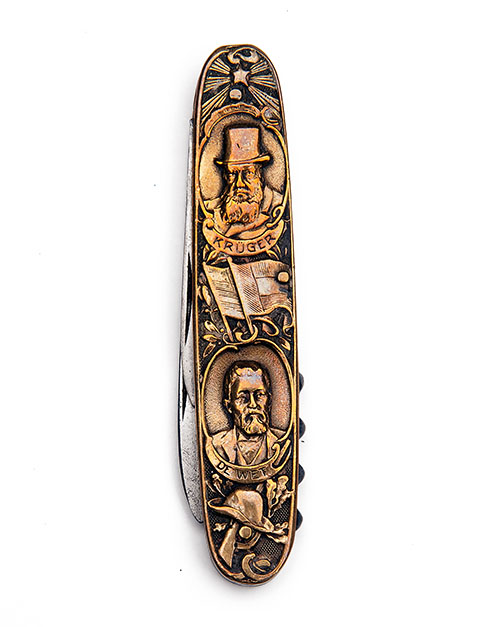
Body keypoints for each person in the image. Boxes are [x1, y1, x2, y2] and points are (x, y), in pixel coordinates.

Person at [205, 127, 283, 240]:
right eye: (232, 174)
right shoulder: (209, 208)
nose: (239, 183)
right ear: (225, 176)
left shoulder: (277, 204)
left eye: (248, 173)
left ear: (260, 174)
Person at [211, 361, 283, 466]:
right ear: (229, 406)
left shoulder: (283, 442)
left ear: (269, 401)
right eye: (243, 398)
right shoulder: (215, 445)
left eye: (259, 395)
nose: (253, 404)